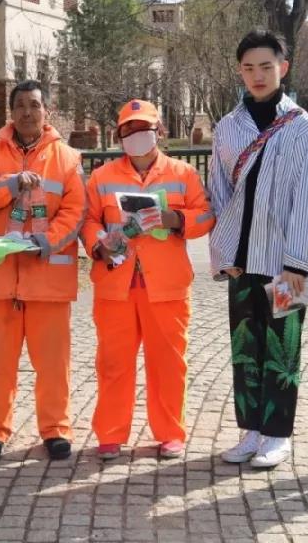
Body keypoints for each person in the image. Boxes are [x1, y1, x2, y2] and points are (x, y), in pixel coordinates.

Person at [207, 29, 308, 468]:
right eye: (248, 68)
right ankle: (251, 430)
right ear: (240, 71)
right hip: (242, 262)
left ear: (283, 68)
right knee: (245, 347)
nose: (257, 75)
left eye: (266, 66)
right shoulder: (228, 126)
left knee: (281, 348)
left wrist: (299, 263)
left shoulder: (302, 127)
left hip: (284, 264)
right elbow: (219, 193)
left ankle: (277, 433)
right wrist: (224, 255)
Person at [82, 100, 214, 460]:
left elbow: (205, 216)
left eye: (144, 128)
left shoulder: (183, 173)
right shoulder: (102, 177)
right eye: (128, 129)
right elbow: (89, 220)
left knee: (168, 363)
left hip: (167, 285)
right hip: (116, 285)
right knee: (113, 363)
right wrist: (98, 245)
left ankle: (170, 432)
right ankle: (110, 433)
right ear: (118, 135)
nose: (136, 135)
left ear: (160, 132)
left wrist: (176, 220)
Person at [0, 80, 85, 463]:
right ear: (11, 112)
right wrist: (10, 185)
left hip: (48, 280)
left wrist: (43, 241)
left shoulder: (68, 159)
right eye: (20, 106)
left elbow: (76, 212)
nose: (27, 112)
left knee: (53, 365)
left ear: (47, 111)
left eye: (34, 105)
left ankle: (56, 430)